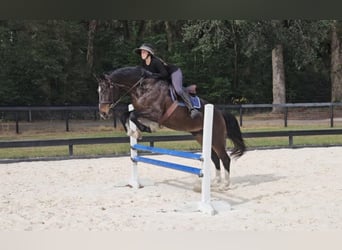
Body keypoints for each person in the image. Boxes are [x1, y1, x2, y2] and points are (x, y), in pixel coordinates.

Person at [134, 43, 200, 119]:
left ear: (149, 53)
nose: (142, 54)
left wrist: (152, 75)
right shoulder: (143, 63)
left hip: (174, 72)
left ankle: (192, 109)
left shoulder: (156, 62)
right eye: (141, 52)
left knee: (178, 90)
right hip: (163, 77)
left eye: (144, 52)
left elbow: (164, 74)